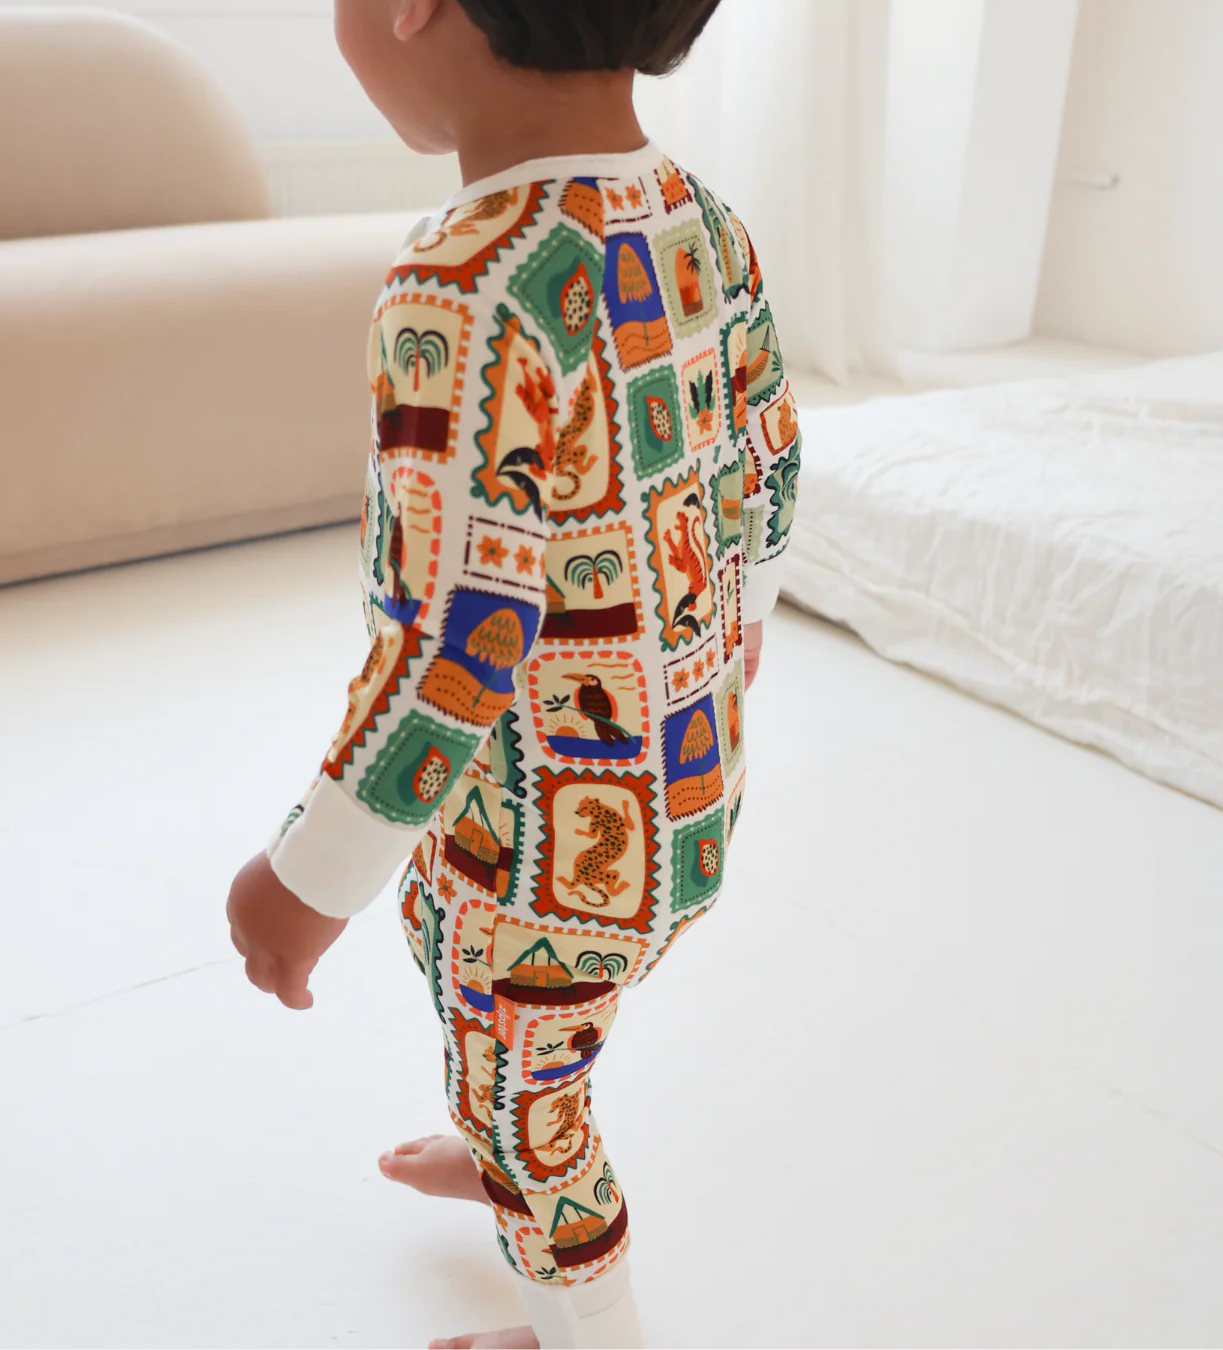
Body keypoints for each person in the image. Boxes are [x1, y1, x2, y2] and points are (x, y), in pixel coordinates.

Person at [225, 2, 801, 1344]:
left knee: (527, 1097)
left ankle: (575, 1295)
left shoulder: (466, 277)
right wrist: (736, 630)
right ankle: (502, 1141)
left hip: (544, 843)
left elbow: (451, 639)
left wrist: (307, 876)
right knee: (510, 1011)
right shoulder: (701, 218)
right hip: (683, 786)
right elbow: (769, 458)